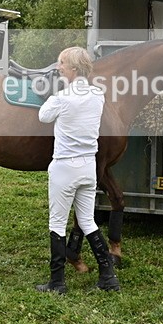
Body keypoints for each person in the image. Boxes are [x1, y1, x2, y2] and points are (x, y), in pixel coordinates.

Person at [36, 46, 120, 294]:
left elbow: (43, 117)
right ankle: (108, 276)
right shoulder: (98, 95)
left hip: (64, 167)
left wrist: (51, 93)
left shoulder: (61, 98)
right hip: (88, 167)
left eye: (61, 63)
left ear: (72, 69)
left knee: (57, 223)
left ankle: (57, 282)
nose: (58, 67)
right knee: (87, 221)